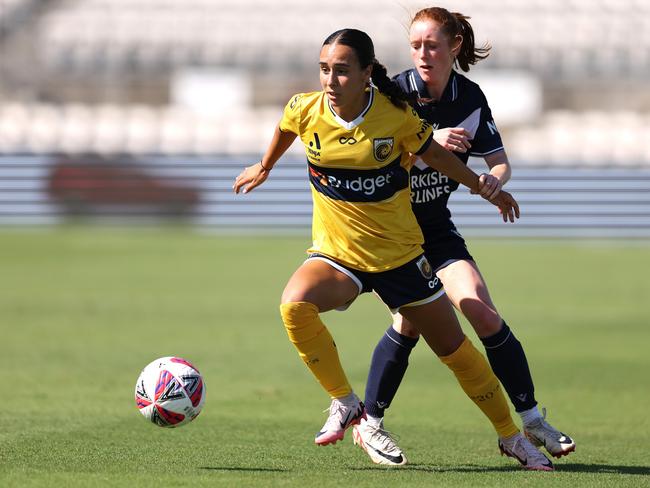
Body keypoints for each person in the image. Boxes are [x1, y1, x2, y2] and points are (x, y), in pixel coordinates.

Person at [234, 28, 554, 471]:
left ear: (367, 74)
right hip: (338, 256)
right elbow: (286, 126)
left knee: (457, 350)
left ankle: (512, 437)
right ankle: (346, 403)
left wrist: (483, 186)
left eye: (343, 71)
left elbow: (439, 158)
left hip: (400, 258)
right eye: (325, 69)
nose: (331, 80)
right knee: (294, 305)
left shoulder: (395, 117)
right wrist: (265, 165)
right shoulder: (304, 108)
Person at [351, 7, 575, 468]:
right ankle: (369, 421)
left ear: (454, 47)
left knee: (481, 311)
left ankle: (532, 418)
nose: (422, 54)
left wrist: (494, 180)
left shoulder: (469, 96)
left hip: (436, 229)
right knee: (411, 323)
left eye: (432, 45)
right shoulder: (392, 93)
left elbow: (499, 160)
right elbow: (373, 165)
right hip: (393, 236)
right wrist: (429, 145)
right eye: (415, 45)